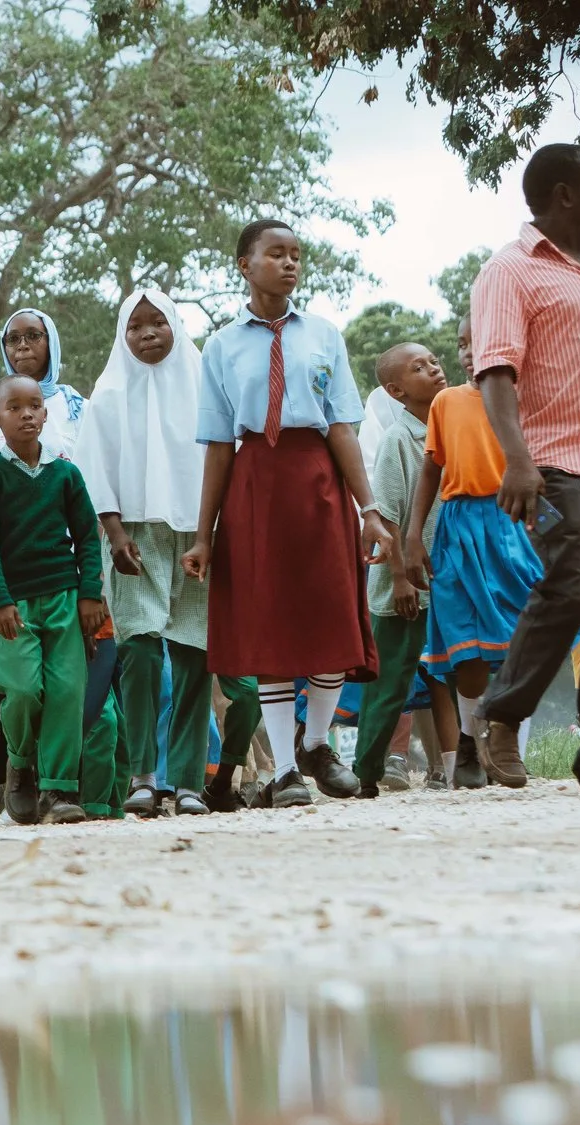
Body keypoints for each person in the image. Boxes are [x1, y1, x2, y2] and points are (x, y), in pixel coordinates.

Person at [186, 218, 390, 808]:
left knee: (332, 613)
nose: (290, 263)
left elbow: (344, 428)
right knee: (270, 623)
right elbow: (219, 445)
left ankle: (318, 743)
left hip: (318, 480)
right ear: (245, 266)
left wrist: (368, 508)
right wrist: (205, 535)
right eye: (276, 253)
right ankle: (284, 774)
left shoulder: (323, 334)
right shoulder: (221, 347)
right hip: (255, 484)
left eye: (297, 254)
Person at [467, 141, 580, 792]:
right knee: (574, 586)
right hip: (557, 461)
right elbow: (494, 372)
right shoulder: (510, 272)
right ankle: (499, 713)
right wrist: (518, 461)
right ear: (564, 194)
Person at [72, 289, 242, 817]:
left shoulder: (203, 385)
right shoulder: (108, 394)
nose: (148, 334)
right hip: (133, 535)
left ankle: (189, 780)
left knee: (194, 653)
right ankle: (144, 776)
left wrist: (207, 534)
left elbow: (222, 458)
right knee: (141, 650)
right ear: (122, 336)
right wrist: (115, 532)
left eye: (158, 323)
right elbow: (93, 468)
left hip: (197, 534)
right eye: (136, 326)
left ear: (176, 326)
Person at [409, 315, 547, 784]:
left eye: (479, 341)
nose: (468, 351)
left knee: (516, 645)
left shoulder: (525, 399)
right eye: (462, 343)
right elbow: (431, 470)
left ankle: (512, 751)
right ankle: (469, 742)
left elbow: (544, 468)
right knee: (465, 650)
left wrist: (550, 530)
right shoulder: (445, 402)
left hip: (511, 523)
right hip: (456, 528)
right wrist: (412, 537)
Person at [0, 374, 108, 823]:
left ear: (45, 414)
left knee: (68, 691)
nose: (26, 414)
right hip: (13, 604)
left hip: (65, 598)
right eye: (15, 407)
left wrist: (89, 593)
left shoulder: (65, 473)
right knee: (25, 690)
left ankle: (58, 791)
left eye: (34, 406)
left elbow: (88, 536)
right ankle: (20, 763)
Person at [352, 341, 453, 795]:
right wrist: (396, 577)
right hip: (404, 586)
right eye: (419, 367)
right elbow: (388, 513)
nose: (434, 369)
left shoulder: (450, 430)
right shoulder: (399, 438)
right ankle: (366, 770)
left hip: (445, 579)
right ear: (396, 390)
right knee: (390, 682)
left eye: (434, 361)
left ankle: (457, 766)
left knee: (449, 675)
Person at [0, 308, 85, 440]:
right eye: (13, 338)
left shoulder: (80, 409)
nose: (22, 345)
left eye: (33, 336)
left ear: (51, 343)